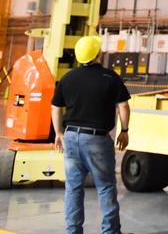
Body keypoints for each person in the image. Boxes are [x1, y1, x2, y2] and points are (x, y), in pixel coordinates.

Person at [51, 35, 131, 234]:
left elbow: (55, 107)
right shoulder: (110, 77)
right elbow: (123, 106)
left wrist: (59, 132)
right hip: (96, 140)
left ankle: (73, 231)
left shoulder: (67, 78)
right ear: (98, 54)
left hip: (70, 137)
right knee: (105, 187)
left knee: (73, 188)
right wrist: (124, 130)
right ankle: (110, 232)